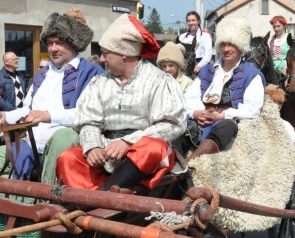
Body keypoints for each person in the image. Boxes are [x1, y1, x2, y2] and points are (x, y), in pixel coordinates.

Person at [0, 8, 103, 183]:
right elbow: (29, 109)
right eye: (49, 43)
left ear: (74, 43)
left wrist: (49, 116)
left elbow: (89, 115)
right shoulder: (43, 73)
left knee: (63, 136)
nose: (53, 48)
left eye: (59, 42)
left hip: (68, 149)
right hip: (33, 145)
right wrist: (4, 116)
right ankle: (18, 201)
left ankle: (46, 198)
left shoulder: (92, 73)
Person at [56, 15, 186, 190]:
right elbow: (88, 121)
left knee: (153, 148)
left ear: (124, 54)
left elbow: (172, 124)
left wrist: (128, 142)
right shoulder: (98, 82)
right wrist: (93, 146)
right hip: (106, 151)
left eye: (106, 53)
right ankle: (97, 195)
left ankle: (101, 196)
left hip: (141, 155)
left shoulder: (160, 81)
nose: (101, 59)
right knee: (68, 158)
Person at [180, 17, 265, 159]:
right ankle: (171, 166)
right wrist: (196, 113)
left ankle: (195, 160)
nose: (226, 49)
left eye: (231, 44)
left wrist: (222, 115)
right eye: (223, 44)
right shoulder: (207, 70)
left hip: (226, 121)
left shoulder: (251, 74)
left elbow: (253, 109)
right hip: (202, 118)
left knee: (227, 127)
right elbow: (188, 99)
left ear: (240, 46)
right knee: (179, 126)